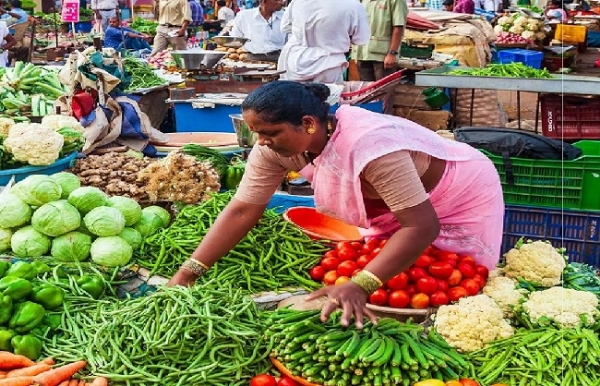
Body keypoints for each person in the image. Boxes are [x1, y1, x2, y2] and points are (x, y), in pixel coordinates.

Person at [167, 81, 504, 327]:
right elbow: (243, 208)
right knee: (401, 272)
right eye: (256, 133)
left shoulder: (370, 145)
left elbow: (421, 225)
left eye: (270, 132)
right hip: (394, 204)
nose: (262, 142)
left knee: (457, 284)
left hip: (458, 192)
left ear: (309, 124)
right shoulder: (272, 148)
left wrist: (361, 283)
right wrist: (189, 272)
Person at [277, 0, 369, 83]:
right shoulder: (354, 6)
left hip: (296, 62)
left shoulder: (298, 2)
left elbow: (285, 27)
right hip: (329, 65)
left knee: (295, 99)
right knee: (327, 99)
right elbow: (361, 39)